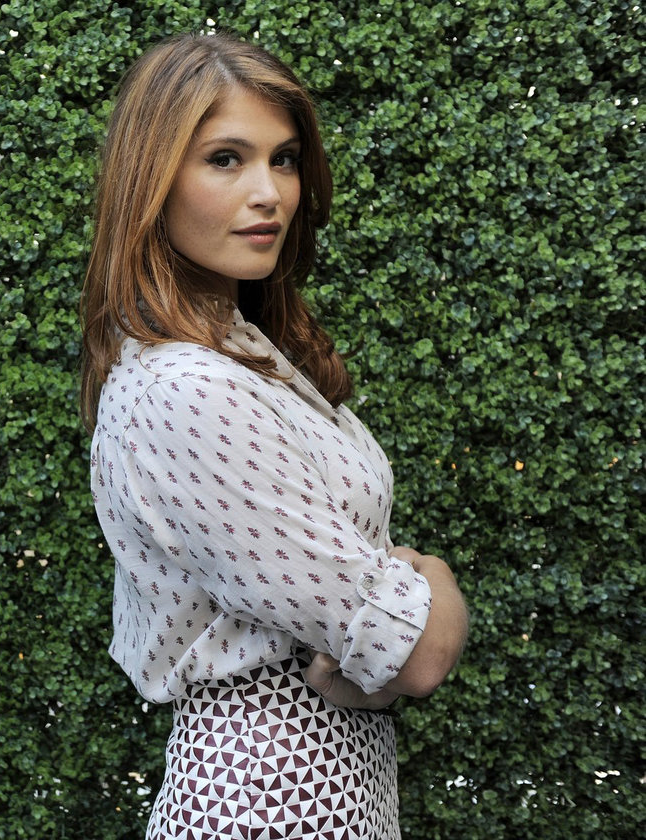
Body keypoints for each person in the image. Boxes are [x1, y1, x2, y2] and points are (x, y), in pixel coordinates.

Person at [80, 33, 468, 840]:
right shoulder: (185, 389)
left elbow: (383, 646)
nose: (271, 194)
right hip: (266, 795)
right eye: (226, 159)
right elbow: (416, 653)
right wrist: (430, 580)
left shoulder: (244, 354)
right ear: (153, 181)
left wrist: (399, 616)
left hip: (323, 785)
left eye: (284, 160)